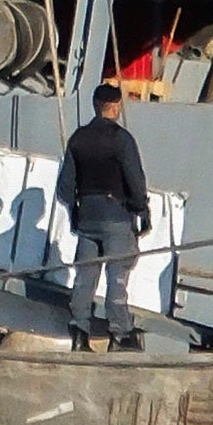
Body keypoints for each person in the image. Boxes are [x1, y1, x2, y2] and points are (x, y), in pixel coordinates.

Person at [54, 79, 152, 348]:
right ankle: (120, 334)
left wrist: (76, 211)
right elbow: (135, 180)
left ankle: (79, 332)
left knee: (85, 277)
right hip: (116, 217)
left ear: (95, 105)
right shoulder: (122, 139)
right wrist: (141, 210)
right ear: (116, 106)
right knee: (117, 275)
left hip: (86, 217)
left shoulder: (78, 138)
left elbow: (64, 188)